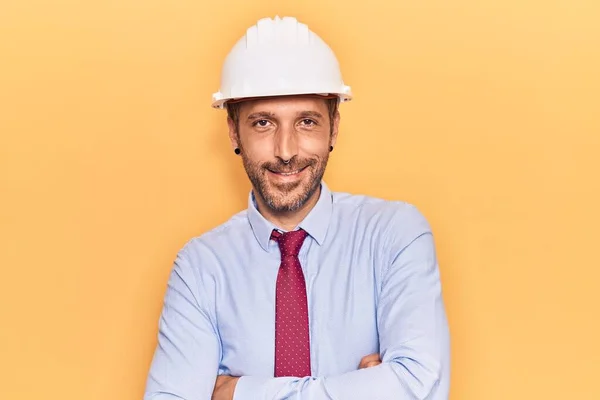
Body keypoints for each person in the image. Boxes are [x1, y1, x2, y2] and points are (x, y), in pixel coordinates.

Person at [143, 16, 450, 400]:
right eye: (262, 123)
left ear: (334, 128)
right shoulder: (201, 268)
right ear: (233, 131)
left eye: (306, 122)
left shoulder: (395, 236)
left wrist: (237, 392)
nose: (286, 151)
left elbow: (418, 385)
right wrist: (362, 388)